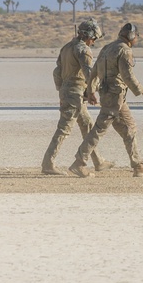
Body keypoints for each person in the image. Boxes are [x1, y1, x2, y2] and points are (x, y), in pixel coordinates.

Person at [70, 22, 143, 178]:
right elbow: (127, 75)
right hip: (114, 97)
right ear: (130, 36)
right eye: (136, 36)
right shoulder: (125, 51)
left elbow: (94, 71)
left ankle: (138, 166)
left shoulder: (107, 48)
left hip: (110, 95)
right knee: (98, 130)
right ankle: (79, 162)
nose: (136, 39)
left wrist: (91, 90)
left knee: (129, 128)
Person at [41, 18, 114, 175]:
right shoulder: (83, 50)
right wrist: (92, 92)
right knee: (64, 129)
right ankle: (48, 164)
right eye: (93, 38)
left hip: (70, 93)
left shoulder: (66, 48)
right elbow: (89, 73)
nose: (93, 42)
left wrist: (61, 91)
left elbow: (57, 72)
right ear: (88, 35)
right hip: (75, 94)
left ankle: (98, 161)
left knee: (87, 124)